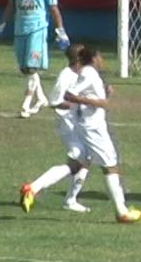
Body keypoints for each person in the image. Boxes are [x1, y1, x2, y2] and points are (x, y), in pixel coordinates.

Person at [58, 48, 141, 223]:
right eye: (100, 56)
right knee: (109, 166)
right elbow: (70, 94)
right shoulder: (89, 73)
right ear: (93, 58)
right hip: (93, 128)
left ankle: (122, 208)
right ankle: (121, 212)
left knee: (87, 164)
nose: (102, 59)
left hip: (93, 125)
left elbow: (83, 96)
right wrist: (97, 102)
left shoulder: (91, 74)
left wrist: (102, 96)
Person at [0, 0, 70, 119]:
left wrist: (60, 30)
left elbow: (54, 9)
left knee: (31, 67)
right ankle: (41, 98)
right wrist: (2, 25)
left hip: (38, 29)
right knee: (25, 69)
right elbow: (11, 5)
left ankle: (25, 104)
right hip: (20, 29)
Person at [18, 44, 91, 214]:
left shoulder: (82, 74)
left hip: (78, 123)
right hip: (68, 124)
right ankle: (33, 188)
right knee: (77, 162)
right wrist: (79, 104)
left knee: (84, 159)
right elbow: (55, 101)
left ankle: (70, 200)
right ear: (78, 58)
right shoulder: (66, 76)